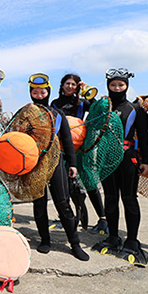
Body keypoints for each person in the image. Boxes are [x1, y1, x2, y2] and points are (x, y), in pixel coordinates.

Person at [90, 69, 148, 266]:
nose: (117, 88)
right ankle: (113, 237)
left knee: (129, 199)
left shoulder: (135, 109)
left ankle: (132, 240)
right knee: (111, 198)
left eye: (120, 85)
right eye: (113, 85)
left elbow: (143, 135)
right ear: (108, 86)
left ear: (126, 86)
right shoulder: (103, 108)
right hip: (107, 158)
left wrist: (145, 161)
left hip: (127, 158)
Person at [28, 73, 90, 261]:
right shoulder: (25, 113)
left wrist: (72, 164)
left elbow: (67, 141)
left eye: (42, 91)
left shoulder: (58, 114)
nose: (39, 95)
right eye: (35, 92)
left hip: (56, 162)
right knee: (39, 203)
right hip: (34, 164)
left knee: (63, 202)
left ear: (48, 92)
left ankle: (75, 243)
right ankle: (44, 240)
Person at [50, 73, 107, 234]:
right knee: (67, 186)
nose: (70, 86)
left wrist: (87, 90)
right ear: (62, 85)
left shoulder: (83, 103)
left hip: (82, 149)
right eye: (67, 83)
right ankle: (69, 217)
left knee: (90, 182)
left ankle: (103, 219)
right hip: (63, 148)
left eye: (73, 84)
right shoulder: (55, 103)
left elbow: (98, 109)